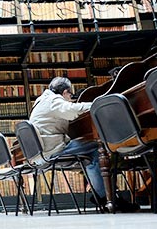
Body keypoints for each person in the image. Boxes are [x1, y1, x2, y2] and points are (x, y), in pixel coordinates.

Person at [28, 77, 107, 206]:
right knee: (96, 147)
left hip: (41, 153)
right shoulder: (53, 100)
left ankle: (101, 194)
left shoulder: (41, 101)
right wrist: (97, 104)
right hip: (52, 151)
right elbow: (71, 110)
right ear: (65, 92)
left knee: (87, 151)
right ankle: (104, 196)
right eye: (71, 95)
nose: (71, 98)